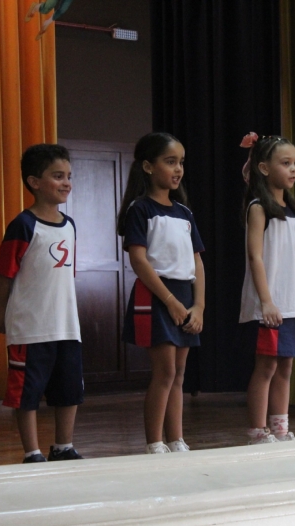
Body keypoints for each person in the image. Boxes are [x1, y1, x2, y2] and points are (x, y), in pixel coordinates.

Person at [0, 143, 84, 464]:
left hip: (66, 326)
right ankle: (31, 452)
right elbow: (3, 274)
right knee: (27, 391)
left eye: (69, 176)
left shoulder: (70, 225)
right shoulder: (23, 224)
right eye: (57, 176)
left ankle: (63, 446)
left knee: (69, 389)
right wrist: (1, 314)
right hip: (31, 326)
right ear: (34, 182)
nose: (66, 183)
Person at [117, 132, 205, 454]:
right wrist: (169, 301)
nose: (178, 169)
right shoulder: (140, 209)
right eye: (170, 161)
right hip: (155, 295)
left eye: (181, 162)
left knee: (179, 373)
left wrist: (199, 305)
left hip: (184, 295)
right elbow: (139, 260)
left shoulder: (184, 212)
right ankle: (155, 442)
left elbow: (197, 261)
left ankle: (176, 438)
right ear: (148, 166)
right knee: (165, 371)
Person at [237, 133, 295, 445]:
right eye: (285, 163)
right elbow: (255, 256)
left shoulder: (292, 211)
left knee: (286, 366)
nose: (293, 169)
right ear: (264, 168)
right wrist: (267, 301)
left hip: (291, 303)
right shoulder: (259, 207)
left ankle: (280, 428)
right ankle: (258, 431)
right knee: (267, 366)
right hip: (269, 305)